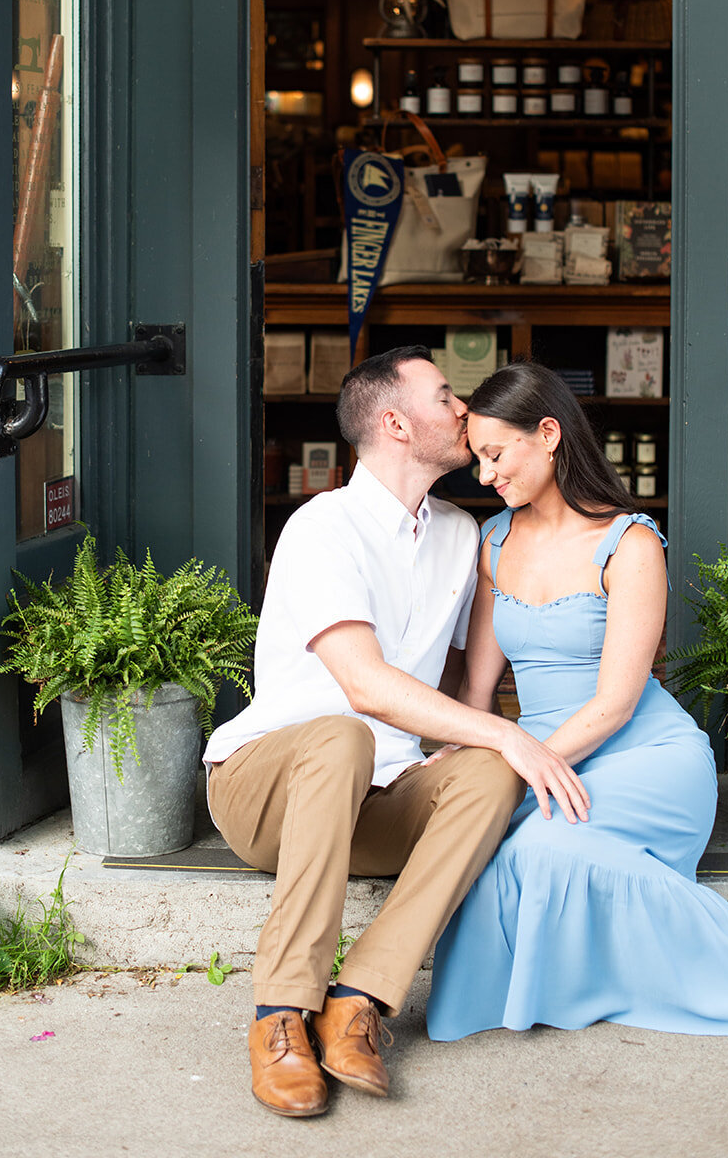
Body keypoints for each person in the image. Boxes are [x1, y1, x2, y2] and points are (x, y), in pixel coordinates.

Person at [203, 345, 591, 1118]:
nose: (463, 408)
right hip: (265, 788)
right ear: (394, 422)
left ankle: (358, 1005)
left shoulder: (460, 534)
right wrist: (505, 730)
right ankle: (278, 1016)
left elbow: (447, 682)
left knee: (489, 769)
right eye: (445, 395)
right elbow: (365, 686)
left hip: (375, 797)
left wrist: (488, 738)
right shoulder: (322, 528)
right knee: (342, 732)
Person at [427, 361, 728, 1045]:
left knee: (541, 855)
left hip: (643, 756)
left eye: (495, 454)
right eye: (477, 458)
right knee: (499, 856)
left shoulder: (632, 542)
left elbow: (617, 704)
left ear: (549, 434)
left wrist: (518, 763)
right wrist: (460, 754)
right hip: (540, 756)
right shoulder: (492, 543)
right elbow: (477, 691)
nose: (484, 475)